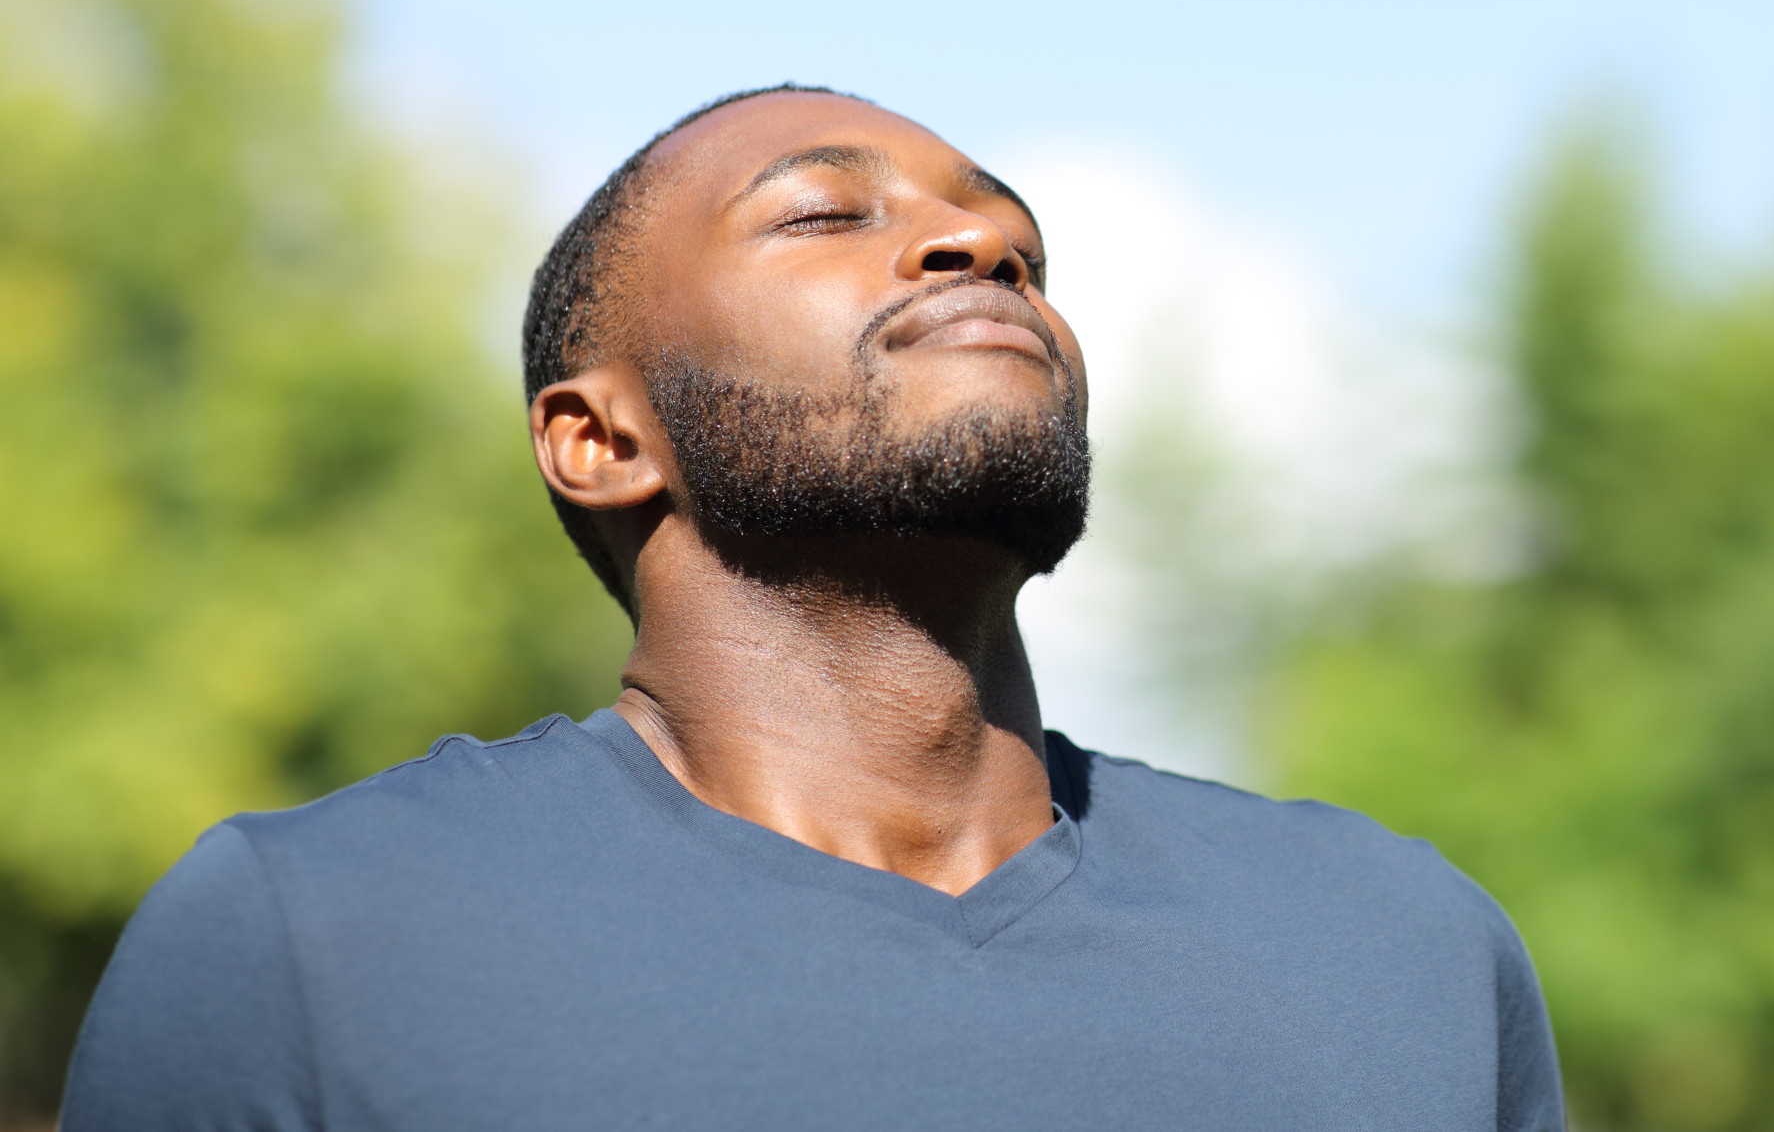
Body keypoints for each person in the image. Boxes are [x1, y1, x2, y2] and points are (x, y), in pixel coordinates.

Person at [62, 86, 1565, 1131]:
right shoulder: (315, 946)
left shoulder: (1401, 951)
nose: (978, 249)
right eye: (823, 215)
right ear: (600, 439)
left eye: (1020, 248)